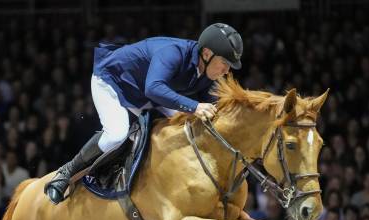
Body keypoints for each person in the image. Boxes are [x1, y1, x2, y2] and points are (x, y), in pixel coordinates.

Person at [44, 23, 243, 204]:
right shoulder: (173, 53)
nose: (226, 71)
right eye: (225, 63)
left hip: (146, 94)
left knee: (188, 126)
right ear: (207, 54)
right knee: (117, 134)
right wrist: (194, 107)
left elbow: (210, 110)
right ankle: (66, 172)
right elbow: (154, 88)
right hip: (113, 82)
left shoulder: (207, 71)